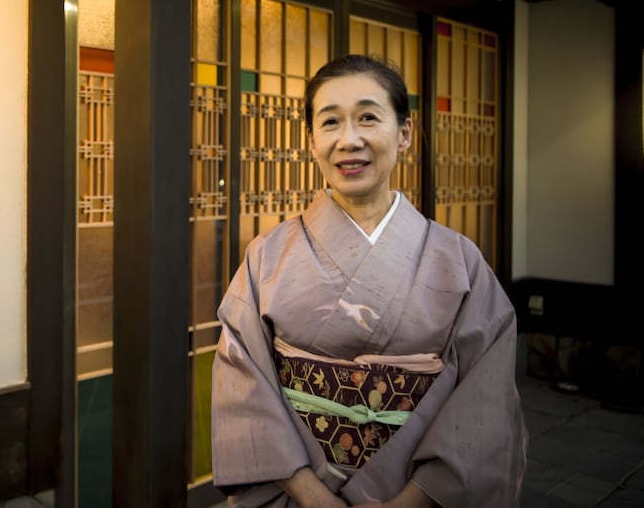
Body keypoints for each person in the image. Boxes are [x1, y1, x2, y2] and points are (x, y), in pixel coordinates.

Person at [210, 54, 527, 508]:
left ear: (404, 134)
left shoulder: (459, 261)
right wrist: (310, 494)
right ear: (311, 140)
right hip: (297, 492)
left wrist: (415, 499)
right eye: (331, 122)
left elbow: (485, 394)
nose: (349, 139)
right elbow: (244, 381)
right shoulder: (267, 255)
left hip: (417, 492)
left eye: (368, 118)